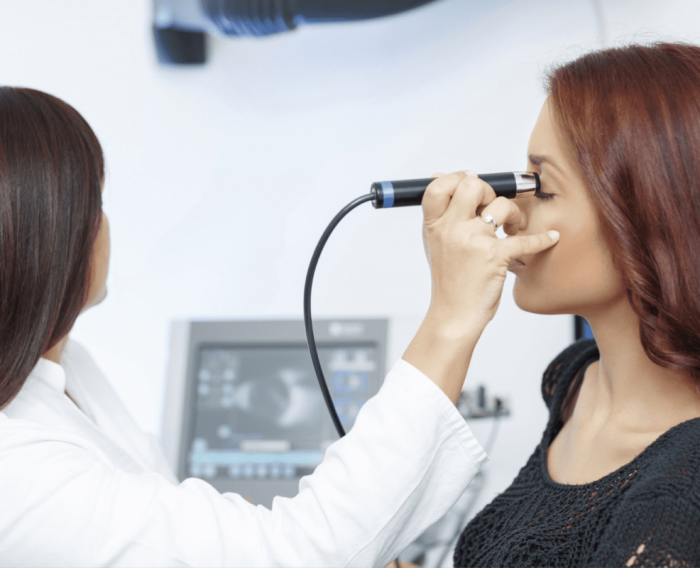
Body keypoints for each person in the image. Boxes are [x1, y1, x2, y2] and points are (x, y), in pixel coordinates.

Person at [0, 86, 558, 566]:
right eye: (95, 202)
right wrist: (453, 316)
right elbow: (298, 555)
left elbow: (164, 517)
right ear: (48, 233)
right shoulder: (18, 475)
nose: (104, 223)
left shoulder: (66, 367)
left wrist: (241, 529)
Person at [452, 41, 700, 567]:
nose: (509, 212)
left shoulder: (682, 496)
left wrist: (450, 320)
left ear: (650, 216)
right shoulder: (573, 382)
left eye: (541, 188)